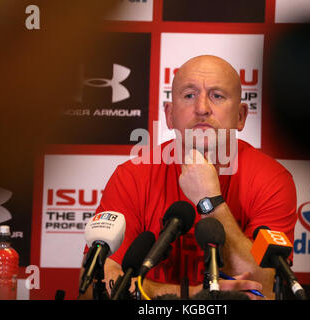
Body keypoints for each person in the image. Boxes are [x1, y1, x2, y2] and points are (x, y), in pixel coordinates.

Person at [80, 55, 297, 300]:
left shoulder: (271, 180)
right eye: (189, 95)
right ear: (170, 114)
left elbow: (264, 287)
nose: (202, 108)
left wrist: (210, 201)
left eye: (217, 95)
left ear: (240, 116)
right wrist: (192, 297)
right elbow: (94, 284)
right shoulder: (132, 176)